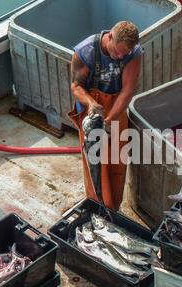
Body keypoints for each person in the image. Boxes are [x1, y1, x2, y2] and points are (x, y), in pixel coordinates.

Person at [68, 21, 143, 211]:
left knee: (117, 160)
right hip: (91, 110)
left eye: (123, 54)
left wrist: (109, 121)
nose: (119, 57)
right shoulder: (85, 52)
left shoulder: (133, 53)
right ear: (109, 36)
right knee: (95, 165)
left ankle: (113, 209)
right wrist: (92, 104)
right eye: (117, 52)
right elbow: (76, 86)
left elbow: (127, 90)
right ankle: (97, 207)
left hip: (116, 109)